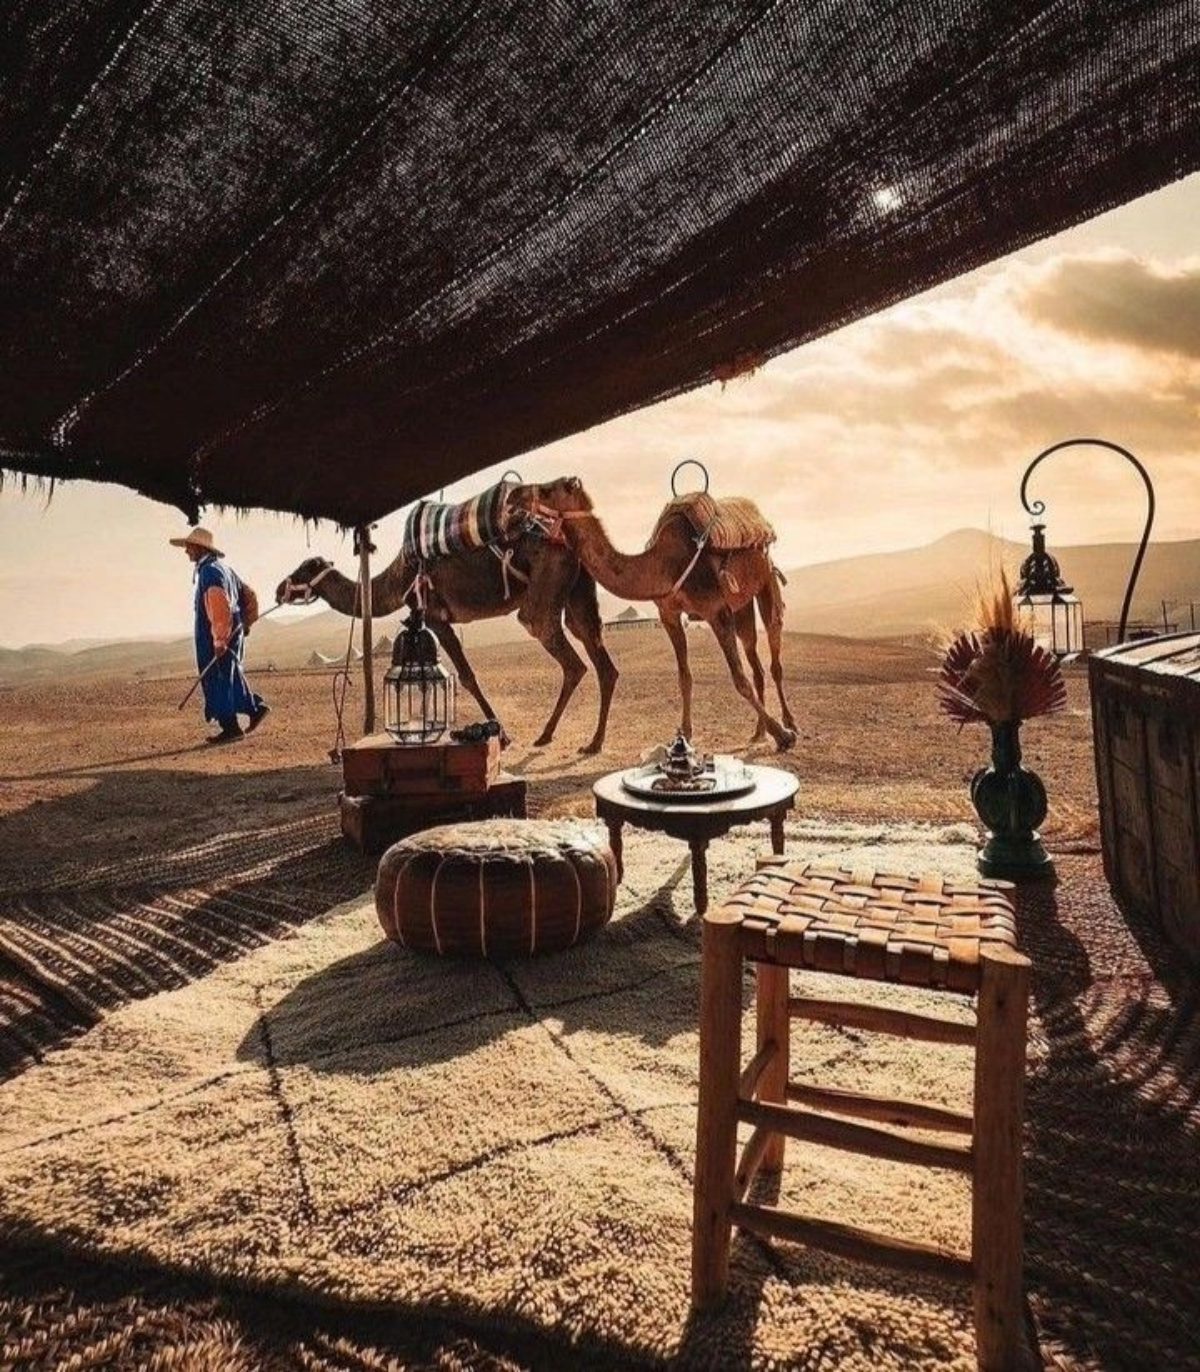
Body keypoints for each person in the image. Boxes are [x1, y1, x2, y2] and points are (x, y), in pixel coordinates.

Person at [170, 527, 269, 743]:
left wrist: (219, 639)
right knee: (228, 677)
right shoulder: (223, 569)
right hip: (231, 633)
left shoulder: (209, 572)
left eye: (189, 547)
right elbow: (248, 594)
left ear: (199, 547)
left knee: (219, 679)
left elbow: (219, 606)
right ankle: (244, 717)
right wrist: (244, 625)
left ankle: (239, 721)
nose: (186, 551)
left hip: (219, 634)